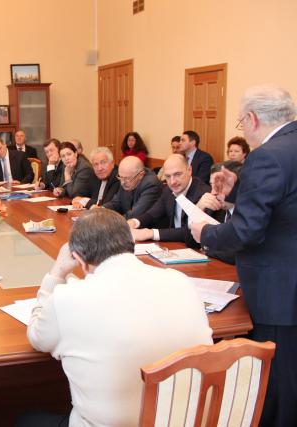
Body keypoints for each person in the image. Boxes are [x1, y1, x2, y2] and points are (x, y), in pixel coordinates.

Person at [21, 209, 212, 427]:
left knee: (25, 420)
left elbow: (36, 337)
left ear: (79, 260)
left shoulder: (66, 298)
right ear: (132, 242)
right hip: (187, 420)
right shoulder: (181, 281)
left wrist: (57, 273)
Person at [191, 84, 297, 427]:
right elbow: (286, 207)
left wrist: (205, 233)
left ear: (252, 119)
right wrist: (238, 194)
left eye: (241, 123)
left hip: (278, 290)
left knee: (278, 386)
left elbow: (247, 231)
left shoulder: (266, 156)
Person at [128, 153, 211, 242]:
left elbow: (190, 232)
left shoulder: (203, 194)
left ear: (189, 170)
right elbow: (152, 214)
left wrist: (151, 233)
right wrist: (134, 222)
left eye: (177, 174)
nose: (172, 182)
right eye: (168, 176)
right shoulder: (168, 191)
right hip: (175, 246)